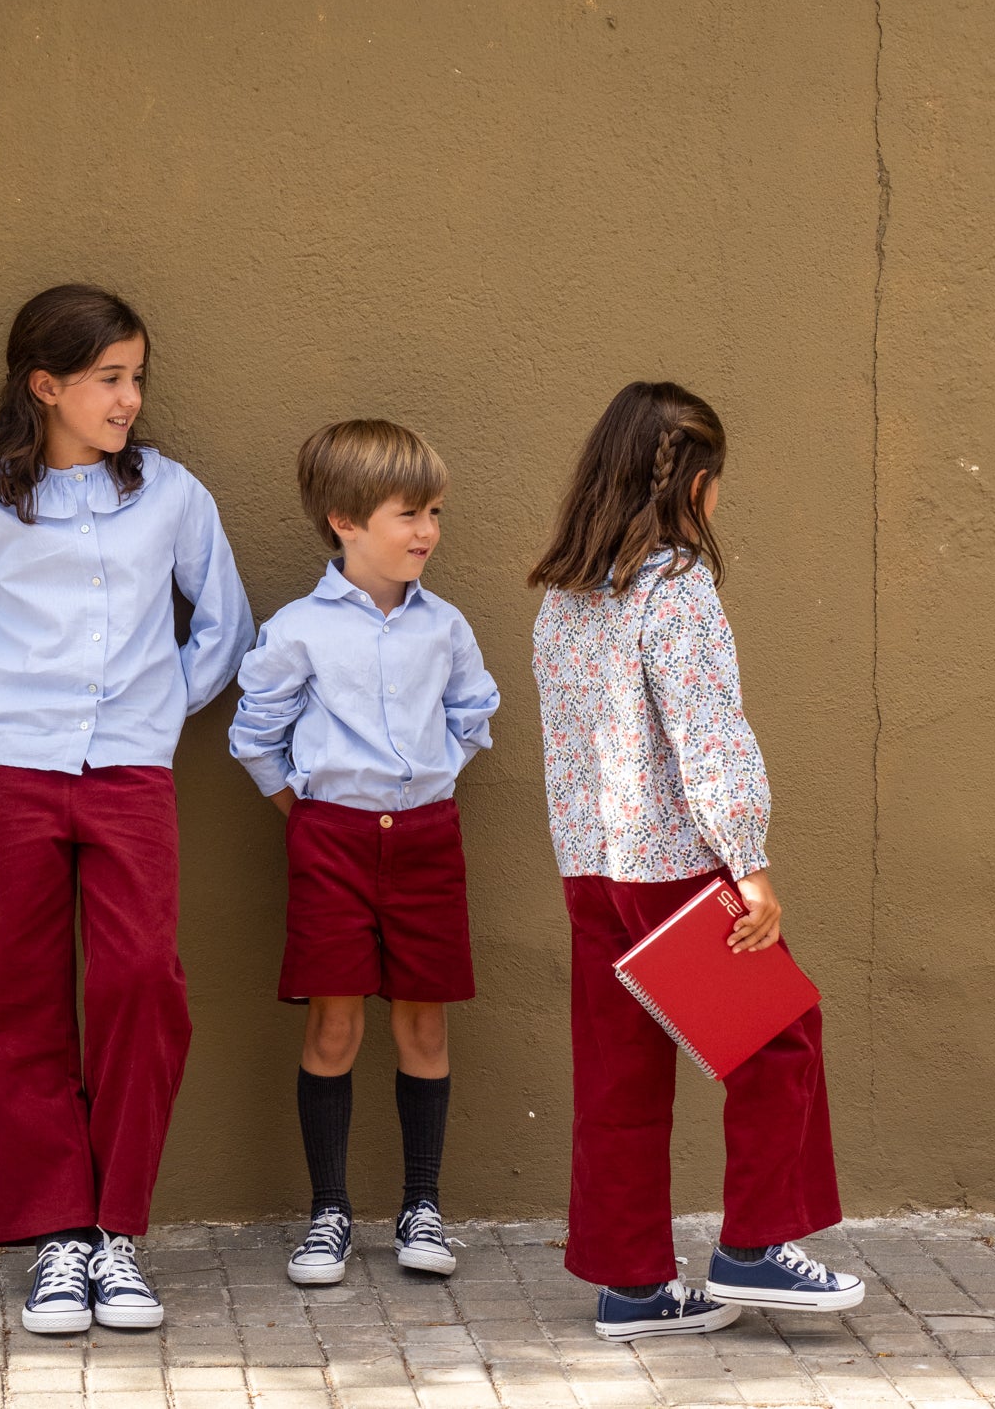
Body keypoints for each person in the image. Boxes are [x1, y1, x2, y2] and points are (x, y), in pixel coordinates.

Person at [0, 284, 254, 1337]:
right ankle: (58, 1235)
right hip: (10, 770)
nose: (130, 398)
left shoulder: (173, 497)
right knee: (23, 994)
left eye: (137, 376)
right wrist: (5, 704)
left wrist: (154, 711)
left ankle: (117, 1227)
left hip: (131, 773)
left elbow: (223, 627)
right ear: (45, 386)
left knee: (145, 977)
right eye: (110, 378)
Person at [529, 380, 864, 1341]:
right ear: (697, 484)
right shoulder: (675, 589)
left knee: (619, 1076)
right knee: (781, 1039)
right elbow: (708, 734)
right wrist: (745, 860)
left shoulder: (563, 596)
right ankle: (754, 1251)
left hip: (593, 870)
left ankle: (630, 1286)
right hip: (672, 864)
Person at [229, 419, 498, 1287]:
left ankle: (422, 1204)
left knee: (423, 1018)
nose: (426, 531)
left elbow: (472, 716)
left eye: (434, 513)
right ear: (344, 520)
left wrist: (424, 780)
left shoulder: (443, 627)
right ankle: (329, 1212)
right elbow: (255, 736)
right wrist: (307, 813)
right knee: (334, 1021)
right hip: (331, 841)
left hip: (425, 840)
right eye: (407, 513)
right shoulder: (299, 628)